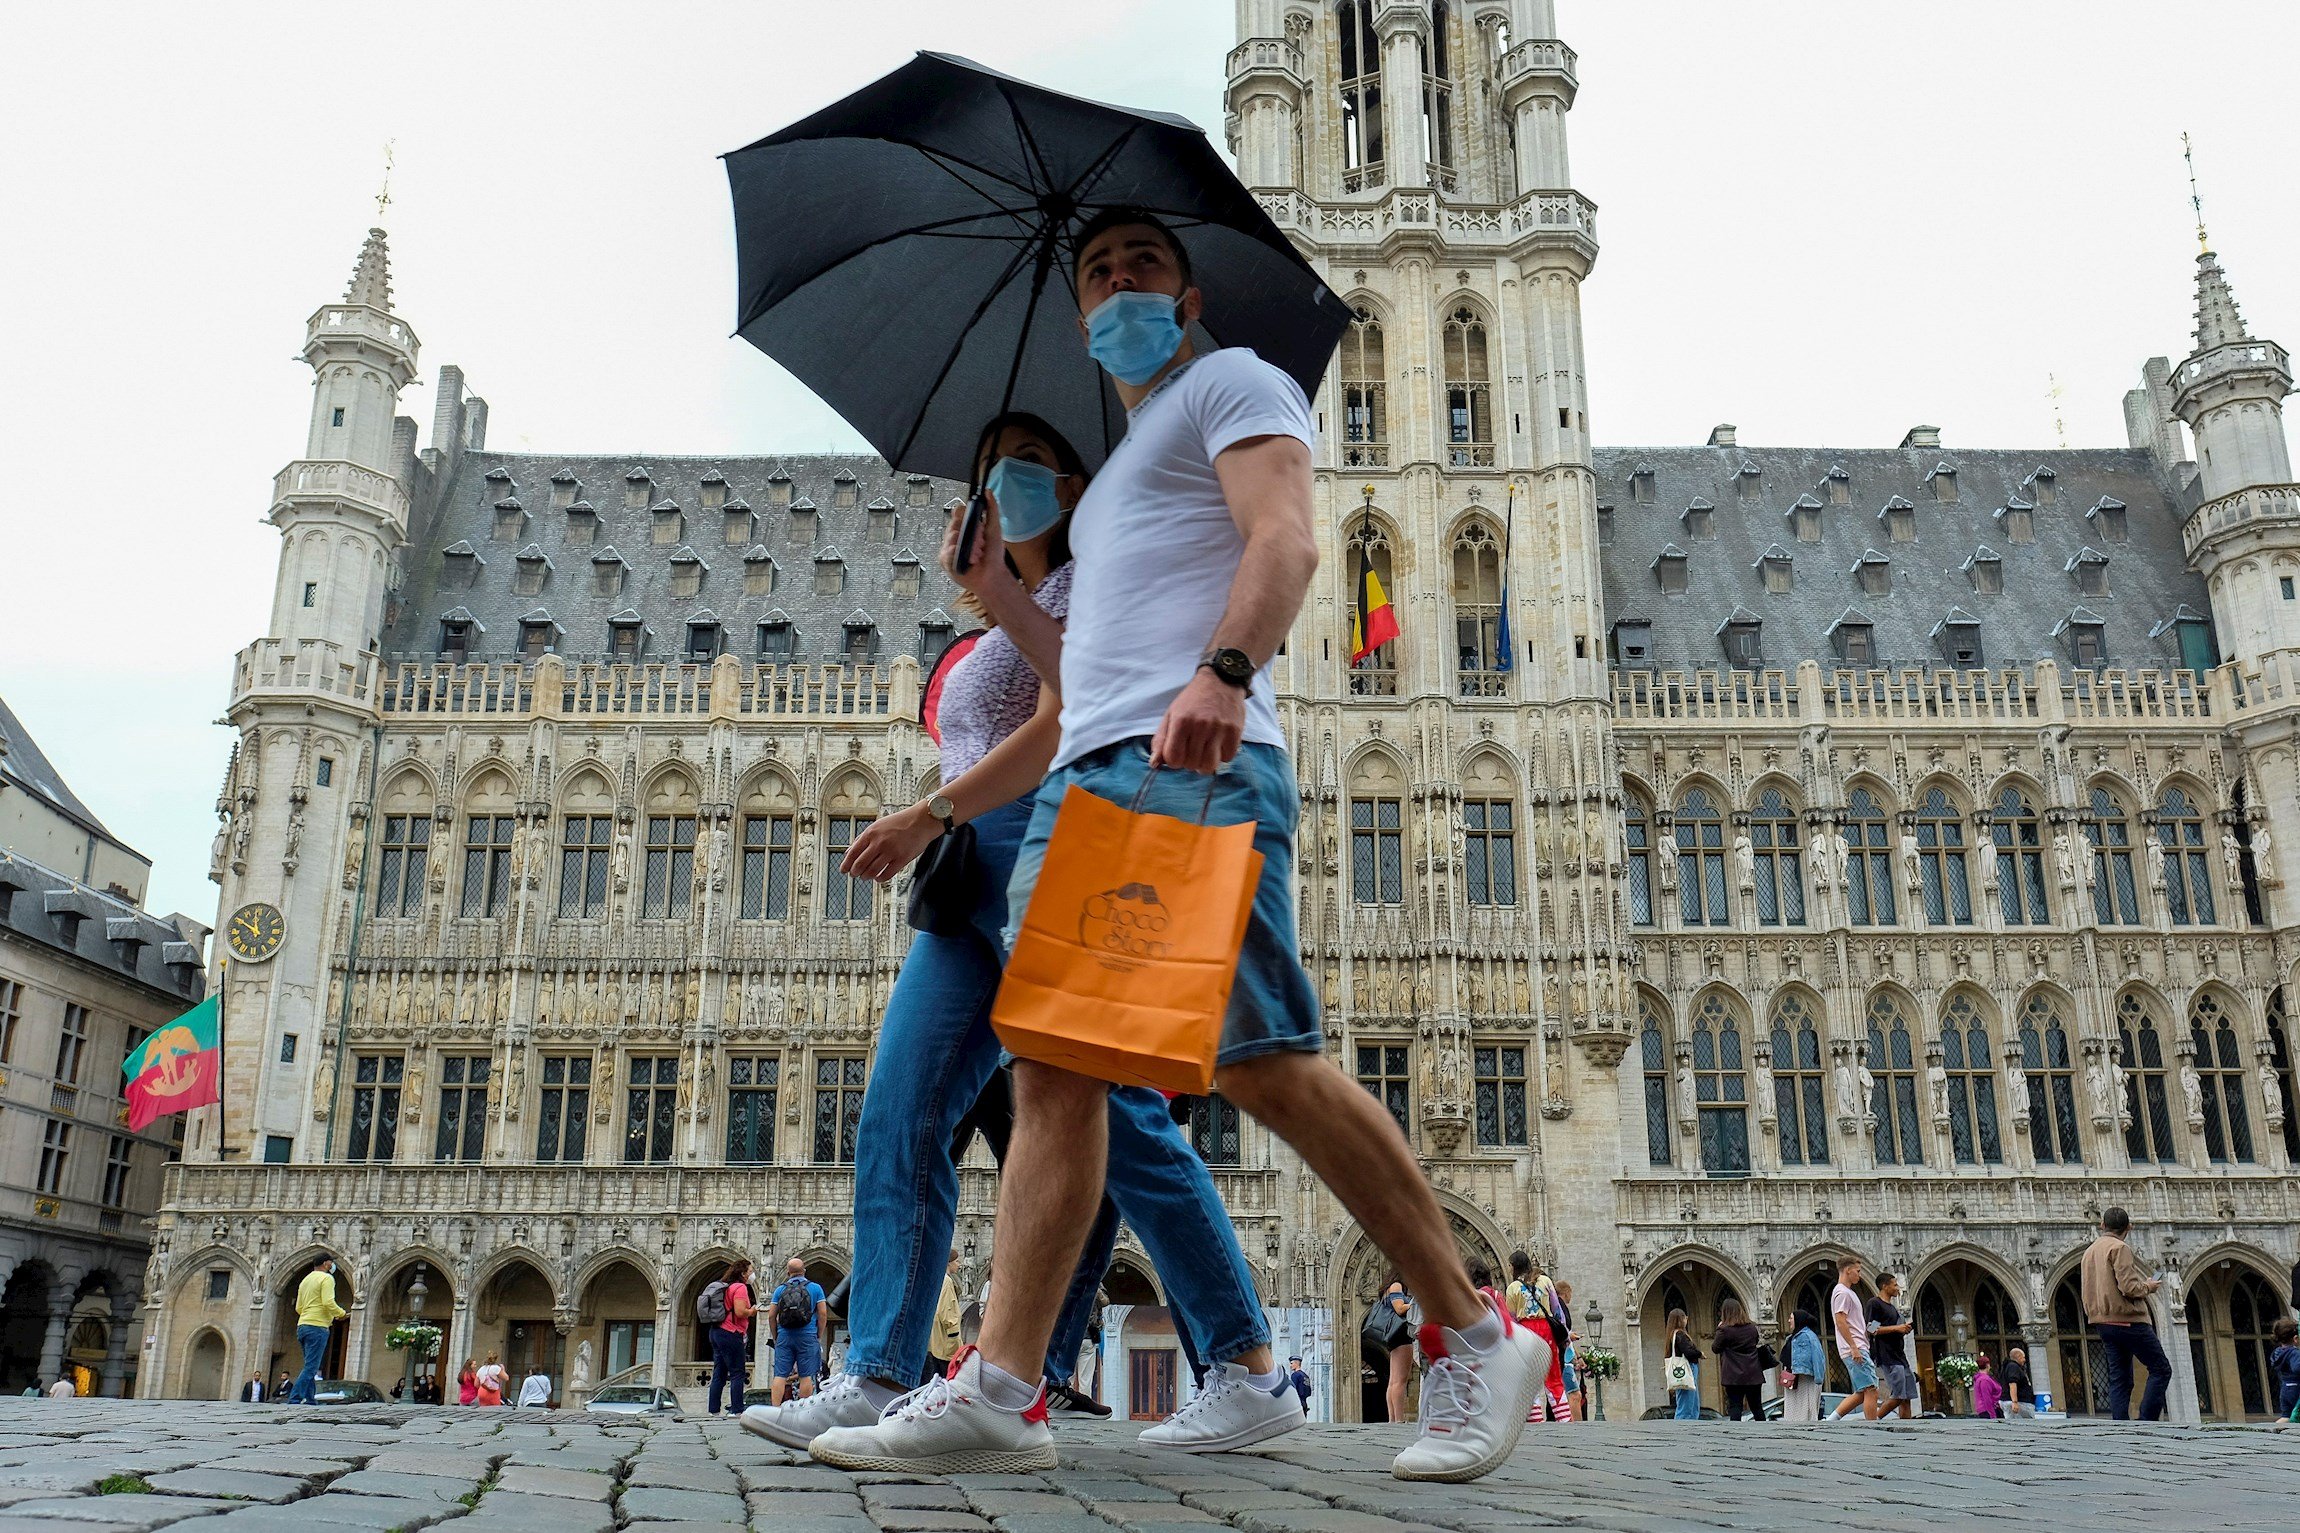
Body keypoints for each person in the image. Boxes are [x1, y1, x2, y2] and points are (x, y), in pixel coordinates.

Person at [808, 208, 1544, 1484]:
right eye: (1096, 272)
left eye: (1140, 265)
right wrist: (995, 619)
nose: (1116, 286)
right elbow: (1076, 678)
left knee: (1260, 1063)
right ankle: (1000, 1387)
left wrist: (1223, 669)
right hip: (1094, 780)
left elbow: (1288, 535)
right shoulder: (1128, 458)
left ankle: (1476, 1330)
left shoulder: (1231, 385)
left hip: (1186, 767)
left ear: (1189, 295)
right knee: (1051, 1067)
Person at [759, 409, 1300, 1458]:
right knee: (899, 1112)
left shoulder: (1088, 580)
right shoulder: (993, 605)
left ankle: (1241, 1363)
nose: (1008, 478)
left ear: (1072, 481)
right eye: (992, 462)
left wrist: (933, 805)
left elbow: (1075, 710)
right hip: (969, 866)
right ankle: (877, 1369)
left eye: (1034, 463)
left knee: (1123, 1119)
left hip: (1046, 841)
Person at [2081, 1206, 2170, 1421]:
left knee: (2119, 1378)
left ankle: (2119, 1424)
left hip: (2103, 1322)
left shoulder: (2089, 1251)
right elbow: (2129, 1287)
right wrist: (2148, 1286)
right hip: (2128, 1321)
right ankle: (2147, 1421)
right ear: (2129, 1227)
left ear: (2102, 1225)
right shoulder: (2119, 1248)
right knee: (2160, 1369)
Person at [761, 1258, 828, 1407]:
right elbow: (823, 1313)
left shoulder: (780, 1289)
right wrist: (818, 1334)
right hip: (808, 1334)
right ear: (804, 1271)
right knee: (805, 1376)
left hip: (784, 1335)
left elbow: (771, 1315)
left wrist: (776, 1336)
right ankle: (802, 1409)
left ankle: (775, 1409)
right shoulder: (815, 1288)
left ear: (788, 1272)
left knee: (780, 1375)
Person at [1828, 1256, 1878, 1421]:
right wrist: (1854, 1347)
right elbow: (1840, 1320)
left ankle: (1831, 1420)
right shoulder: (1842, 1292)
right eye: (1858, 1271)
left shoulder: (1848, 1292)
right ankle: (1873, 1425)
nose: (1859, 1275)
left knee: (1862, 1391)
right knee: (1871, 1388)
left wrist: (1870, 1329)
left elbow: (1853, 1323)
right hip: (1855, 1347)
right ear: (1848, 1270)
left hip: (1858, 1345)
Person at [289, 1256, 344, 1405]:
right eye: (331, 1262)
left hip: (302, 1325)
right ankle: (295, 1397)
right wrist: (340, 1313)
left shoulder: (305, 1280)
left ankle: (310, 1399)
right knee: (311, 1366)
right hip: (317, 1327)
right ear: (326, 1263)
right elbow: (328, 1302)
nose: (332, 1265)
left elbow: (298, 1308)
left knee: (310, 1365)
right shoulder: (326, 1279)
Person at [706, 1258, 755, 1417]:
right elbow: (740, 1312)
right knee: (737, 1372)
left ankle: (713, 1410)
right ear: (743, 1273)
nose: (752, 1274)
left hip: (716, 1331)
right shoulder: (740, 1287)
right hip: (730, 1332)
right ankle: (737, 1409)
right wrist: (752, 1311)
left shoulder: (726, 1287)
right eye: (750, 1271)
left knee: (719, 1372)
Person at [1866, 1272, 1917, 1419]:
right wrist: (1896, 1328)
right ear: (1884, 1286)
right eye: (1895, 1284)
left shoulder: (1892, 1308)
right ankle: (1873, 1421)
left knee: (1907, 1397)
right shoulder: (1875, 1304)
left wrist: (1903, 1330)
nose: (1898, 1288)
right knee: (1899, 1395)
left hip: (1900, 1356)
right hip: (1888, 1356)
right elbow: (1871, 1329)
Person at [1712, 1298, 1764, 1421]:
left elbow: (1715, 1348)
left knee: (1735, 1407)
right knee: (1757, 1407)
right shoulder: (1752, 1327)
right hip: (1753, 1372)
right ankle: (1764, 1432)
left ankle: (1735, 1436)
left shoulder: (1724, 1330)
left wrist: (1719, 1329)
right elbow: (1755, 1342)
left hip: (1733, 1374)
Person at [1375, 1280, 1416, 1424]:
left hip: (1394, 1336)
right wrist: (1415, 1305)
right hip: (1401, 1335)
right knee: (1400, 1380)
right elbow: (1399, 1308)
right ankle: (1398, 1419)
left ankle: (1393, 1419)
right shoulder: (1396, 1285)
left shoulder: (1390, 1288)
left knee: (1394, 1380)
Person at [1780, 1307, 1826, 1422]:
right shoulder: (1791, 1338)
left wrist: (1819, 1377)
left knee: (1805, 1405)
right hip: (1792, 1377)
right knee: (1793, 1404)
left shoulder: (1808, 1336)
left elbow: (1818, 1357)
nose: (1789, 1321)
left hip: (1805, 1377)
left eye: (1791, 1318)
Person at [928, 1250, 965, 1384]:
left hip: (936, 1341)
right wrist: (954, 1340)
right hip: (946, 1343)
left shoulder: (937, 1278)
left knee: (936, 1378)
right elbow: (946, 1312)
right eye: (957, 1261)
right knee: (947, 1381)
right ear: (949, 1263)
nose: (959, 1264)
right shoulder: (947, 1282)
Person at [1664, 1309, 1703, 1420]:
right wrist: (1699, 1354)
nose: (1687, 1319)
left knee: (1691, 1401)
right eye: (1684, 1317)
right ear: (1680, 1319)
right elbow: (1688, 1352)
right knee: (1687, 1402)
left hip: (1684, 1369)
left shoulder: (1672, 1335)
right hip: (1687, 1369)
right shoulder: (1680, 1335)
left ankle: (1691, 1423)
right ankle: (1683, 1425)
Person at [2268, 1317, 2300, 1421]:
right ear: (2295, 1338)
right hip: (2296, 1389)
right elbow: (2297, 1368)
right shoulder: (2294, 1353)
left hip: (2285, 1389)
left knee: (2286, 1416)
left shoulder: (2278, 1352)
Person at [1998, 1346, 2035, 1419]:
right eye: (2023, 1357)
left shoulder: (2009, 1367)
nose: (2024, 1360)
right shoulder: (2013, 1367)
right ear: (2018, 1357)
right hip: (2019, 1402)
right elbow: (2012, 1384)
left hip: (2014, 1401)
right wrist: (2014, 1402)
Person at [1971, 1353, 2002, 1419]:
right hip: (1988, 1410)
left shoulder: (1981, 1378)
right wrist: (1992, 1415)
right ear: (1987, 1365)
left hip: (1987, 1409)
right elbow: (1986, 1398)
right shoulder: (1984, 1380)